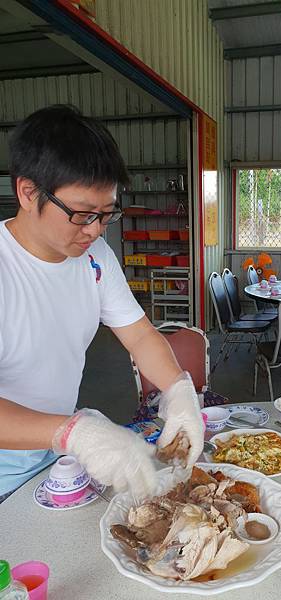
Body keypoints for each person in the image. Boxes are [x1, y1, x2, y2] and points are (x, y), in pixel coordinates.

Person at [0, 105, 204, 503]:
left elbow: (141, 335)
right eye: (81, 214)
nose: (95, 230)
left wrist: (178, 390)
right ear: (28, 192)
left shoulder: (94, 258)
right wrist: (72, 431)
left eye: (106, 214)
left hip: (55, 459)